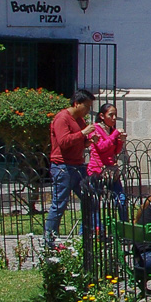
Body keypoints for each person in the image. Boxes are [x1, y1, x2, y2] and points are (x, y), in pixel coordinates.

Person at [45, 90, 98, 249]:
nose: (88, 110)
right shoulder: (62, 118)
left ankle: (86, 234)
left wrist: (89, 142)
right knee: (59, 203)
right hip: (63, 167)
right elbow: (63, 142)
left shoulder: (79, 120)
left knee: (90, 199)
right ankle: (50, 239)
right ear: (77, 104)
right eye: (87, 106)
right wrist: (83, 133)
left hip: (77, 165)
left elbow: (78, 142)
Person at [85, 103, 130, 225]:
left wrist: (120, 141)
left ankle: (124, 227)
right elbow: (101, 147)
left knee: (121, 199)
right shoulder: (95, 129)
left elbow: (115, 151)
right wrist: (115, 135)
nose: (114, 118)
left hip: (111, 170)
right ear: (102, 116)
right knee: (94, 203)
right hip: (97, 170)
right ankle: (94, 231)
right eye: (111, 115)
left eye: (115, 115)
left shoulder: (111, 130)